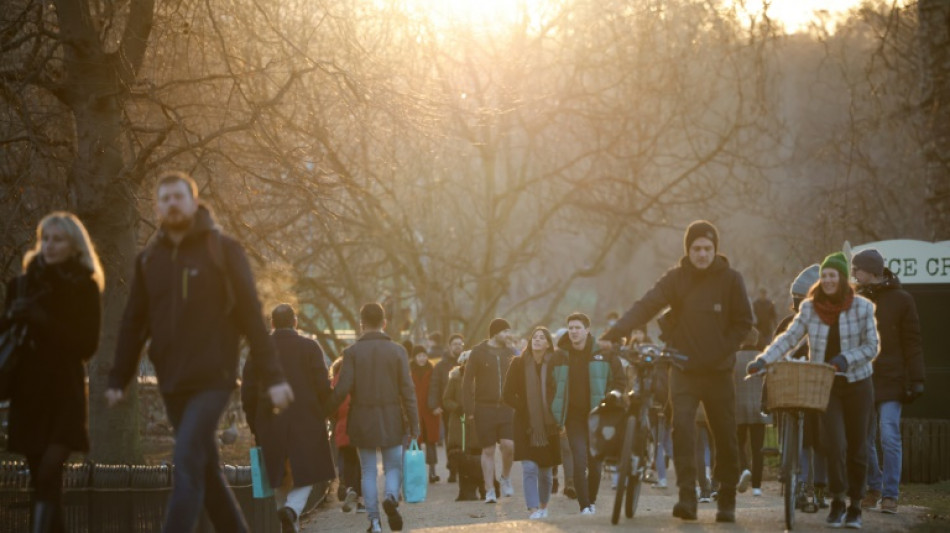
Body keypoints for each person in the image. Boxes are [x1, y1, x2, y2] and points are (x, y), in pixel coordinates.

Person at [106, 171, 294, 533]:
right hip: (172, 382)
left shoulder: (222, 249)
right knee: (207, 474)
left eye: (179, 196)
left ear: (194, 202)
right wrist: (119, 376)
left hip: (214, 378)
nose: (172, 203)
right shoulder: (149, 260)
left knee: (186, 461)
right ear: (156, 207)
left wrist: (274, 377)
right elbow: (133, 322)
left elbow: (252, 317)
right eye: (165, 198)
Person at [600, 220, 752, 522]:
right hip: (683, 369)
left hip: (719, 371)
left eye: (708, 248)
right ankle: (687, 498)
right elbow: (647, 305)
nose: (702, 254)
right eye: (696, 248)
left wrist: (723, 348)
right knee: (681, 429)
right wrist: (615, 332)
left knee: (724, 434)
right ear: (688, 250)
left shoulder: (731, 280)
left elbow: (744, 323)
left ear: (715, 249)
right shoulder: (676, 279)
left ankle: (727, 499)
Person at [748, 252, 879, 529]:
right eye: (825, 276)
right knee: (833, 443)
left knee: (857, 447)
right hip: (827, 385)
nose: (829, 280)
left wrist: (847, 358)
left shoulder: (862, 308)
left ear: (843, 279)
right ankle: (836, 500)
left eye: (834, 275)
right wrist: (764, 359)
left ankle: (855, 505)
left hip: (857, 383)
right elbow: (790, 338)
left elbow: (872, 347)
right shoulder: (810, 308)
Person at [2, 212, 103, 532]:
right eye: (45, 238)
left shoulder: (83, 287)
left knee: (48, 473)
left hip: (63, 396)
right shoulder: (20, 285)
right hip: (28, 396)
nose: (49, 245)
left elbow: (86, 345)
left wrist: (42, 319)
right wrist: (16, 317)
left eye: (58, 239)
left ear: (75, 246)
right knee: (43, 484)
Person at [242, 304, 335, 533]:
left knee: (279, 478)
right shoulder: (310, 347)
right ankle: (293, 510)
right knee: (310, 474)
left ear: (272, 324)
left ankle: (288, 519)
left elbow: (248, 393)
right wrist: (324, 413)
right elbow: (323, 387)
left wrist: (254, 425)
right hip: (306, 421)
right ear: (295, 322)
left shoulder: (258, 351)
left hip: (269, 421)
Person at [331, 303, 418, 533]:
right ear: (384, 323)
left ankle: (375, 522)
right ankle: (390, 497)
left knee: (368, 471)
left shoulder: (351, 353)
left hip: (361, 419)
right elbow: (408, 392)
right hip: (391, 418)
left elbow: (341, 390)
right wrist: (415, 425)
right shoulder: (398, 351)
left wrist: (324, 411)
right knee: (393, 467)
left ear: (361, 324)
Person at [852, 249, 925, 514]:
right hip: (863, 377)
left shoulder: (902, 300)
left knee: (889, 435)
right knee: (863, 437)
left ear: (871, 270)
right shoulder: (856, 299)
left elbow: (912, 340)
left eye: (857, 269)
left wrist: (916, 378)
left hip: (893, 379)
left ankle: (890, 494)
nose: (854, 274)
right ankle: (874, 488)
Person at [553, 312, 625, 516]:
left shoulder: (604, 353)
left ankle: (591, 501)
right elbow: (551, 385)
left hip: (597, 415)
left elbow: (620, 381)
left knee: (595, 464)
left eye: (577, 327)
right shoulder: (561, 355)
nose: (573, 331)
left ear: (587, 330)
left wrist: (612, 399)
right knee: (578, 459)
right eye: (571, 328)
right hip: (573, 417)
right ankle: (584, 505)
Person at [502, 326, 561, 520]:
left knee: (545, 471)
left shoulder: (554, 364)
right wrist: (525, 407)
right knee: (529, 467)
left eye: (541, 337)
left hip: (548, 424)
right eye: (534, 337)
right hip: (524, 423)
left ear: (547, 344)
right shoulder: (518, 364)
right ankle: (533, 509)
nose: (537, 340)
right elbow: (507, 394)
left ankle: (544, 505)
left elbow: (561, 390)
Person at [462, 318, 517, 503]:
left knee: (509, 445)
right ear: (495, 333)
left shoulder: (510, 352)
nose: (508, 335)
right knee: (488, 450)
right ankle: (489, 490)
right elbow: (467, 381)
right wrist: (469, 409)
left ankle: (505, 478)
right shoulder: (478, 352)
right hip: (484, 407)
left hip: (507, 408)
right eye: (505, 332)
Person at [733, 329, 770, 497]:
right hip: (758, 407)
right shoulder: (763, 358)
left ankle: (744, 470)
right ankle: (757, 486)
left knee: (739, 444)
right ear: (756, 339)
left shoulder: (733, 358)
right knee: (758, 448)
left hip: (738, 407)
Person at [429, 333, 465, 482]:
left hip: (465, 406)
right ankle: (453, 469)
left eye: (460, 344)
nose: (458, 346)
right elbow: (435, 386)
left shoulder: (467, 362)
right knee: (451, 440)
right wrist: (434, 405)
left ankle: (465, 468)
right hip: (448, 408)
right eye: (455, 344)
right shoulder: (441, 366)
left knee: (466, 439)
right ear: (449, 346)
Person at [330, 357, 363, 513]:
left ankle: (350, 487)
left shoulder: (335, 381)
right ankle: (361, 500)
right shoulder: (360, 378)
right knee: (363, 463)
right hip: (361, 426)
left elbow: (332, 406)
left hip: (343, 427)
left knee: (348, 460)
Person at [409, 345, 441, 482]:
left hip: (430, 411)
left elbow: (437, 389)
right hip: (415, 411)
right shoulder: (409, 371)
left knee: (431, 442)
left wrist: (436, 405)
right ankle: (417, 472)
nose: (422, 358)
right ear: (414, 357)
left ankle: (432, 472)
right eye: (419, 355)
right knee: (415, 442)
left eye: (424, 355)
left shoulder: (432, 370)